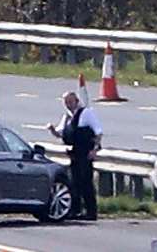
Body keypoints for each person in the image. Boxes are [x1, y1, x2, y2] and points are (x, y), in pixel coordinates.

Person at [47, 91, 103, 221]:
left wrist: (94, 150)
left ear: (76, 101)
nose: (68, 105)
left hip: (85, 151)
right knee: (74, 182)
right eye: (66, 102)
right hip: (74, 153)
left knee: (86, 182)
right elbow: (61, 133)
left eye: (70, 102)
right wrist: (52, 130)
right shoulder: (67, 117)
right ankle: (75, 209)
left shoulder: (86, 113)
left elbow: (98, 132)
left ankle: (91, 211)